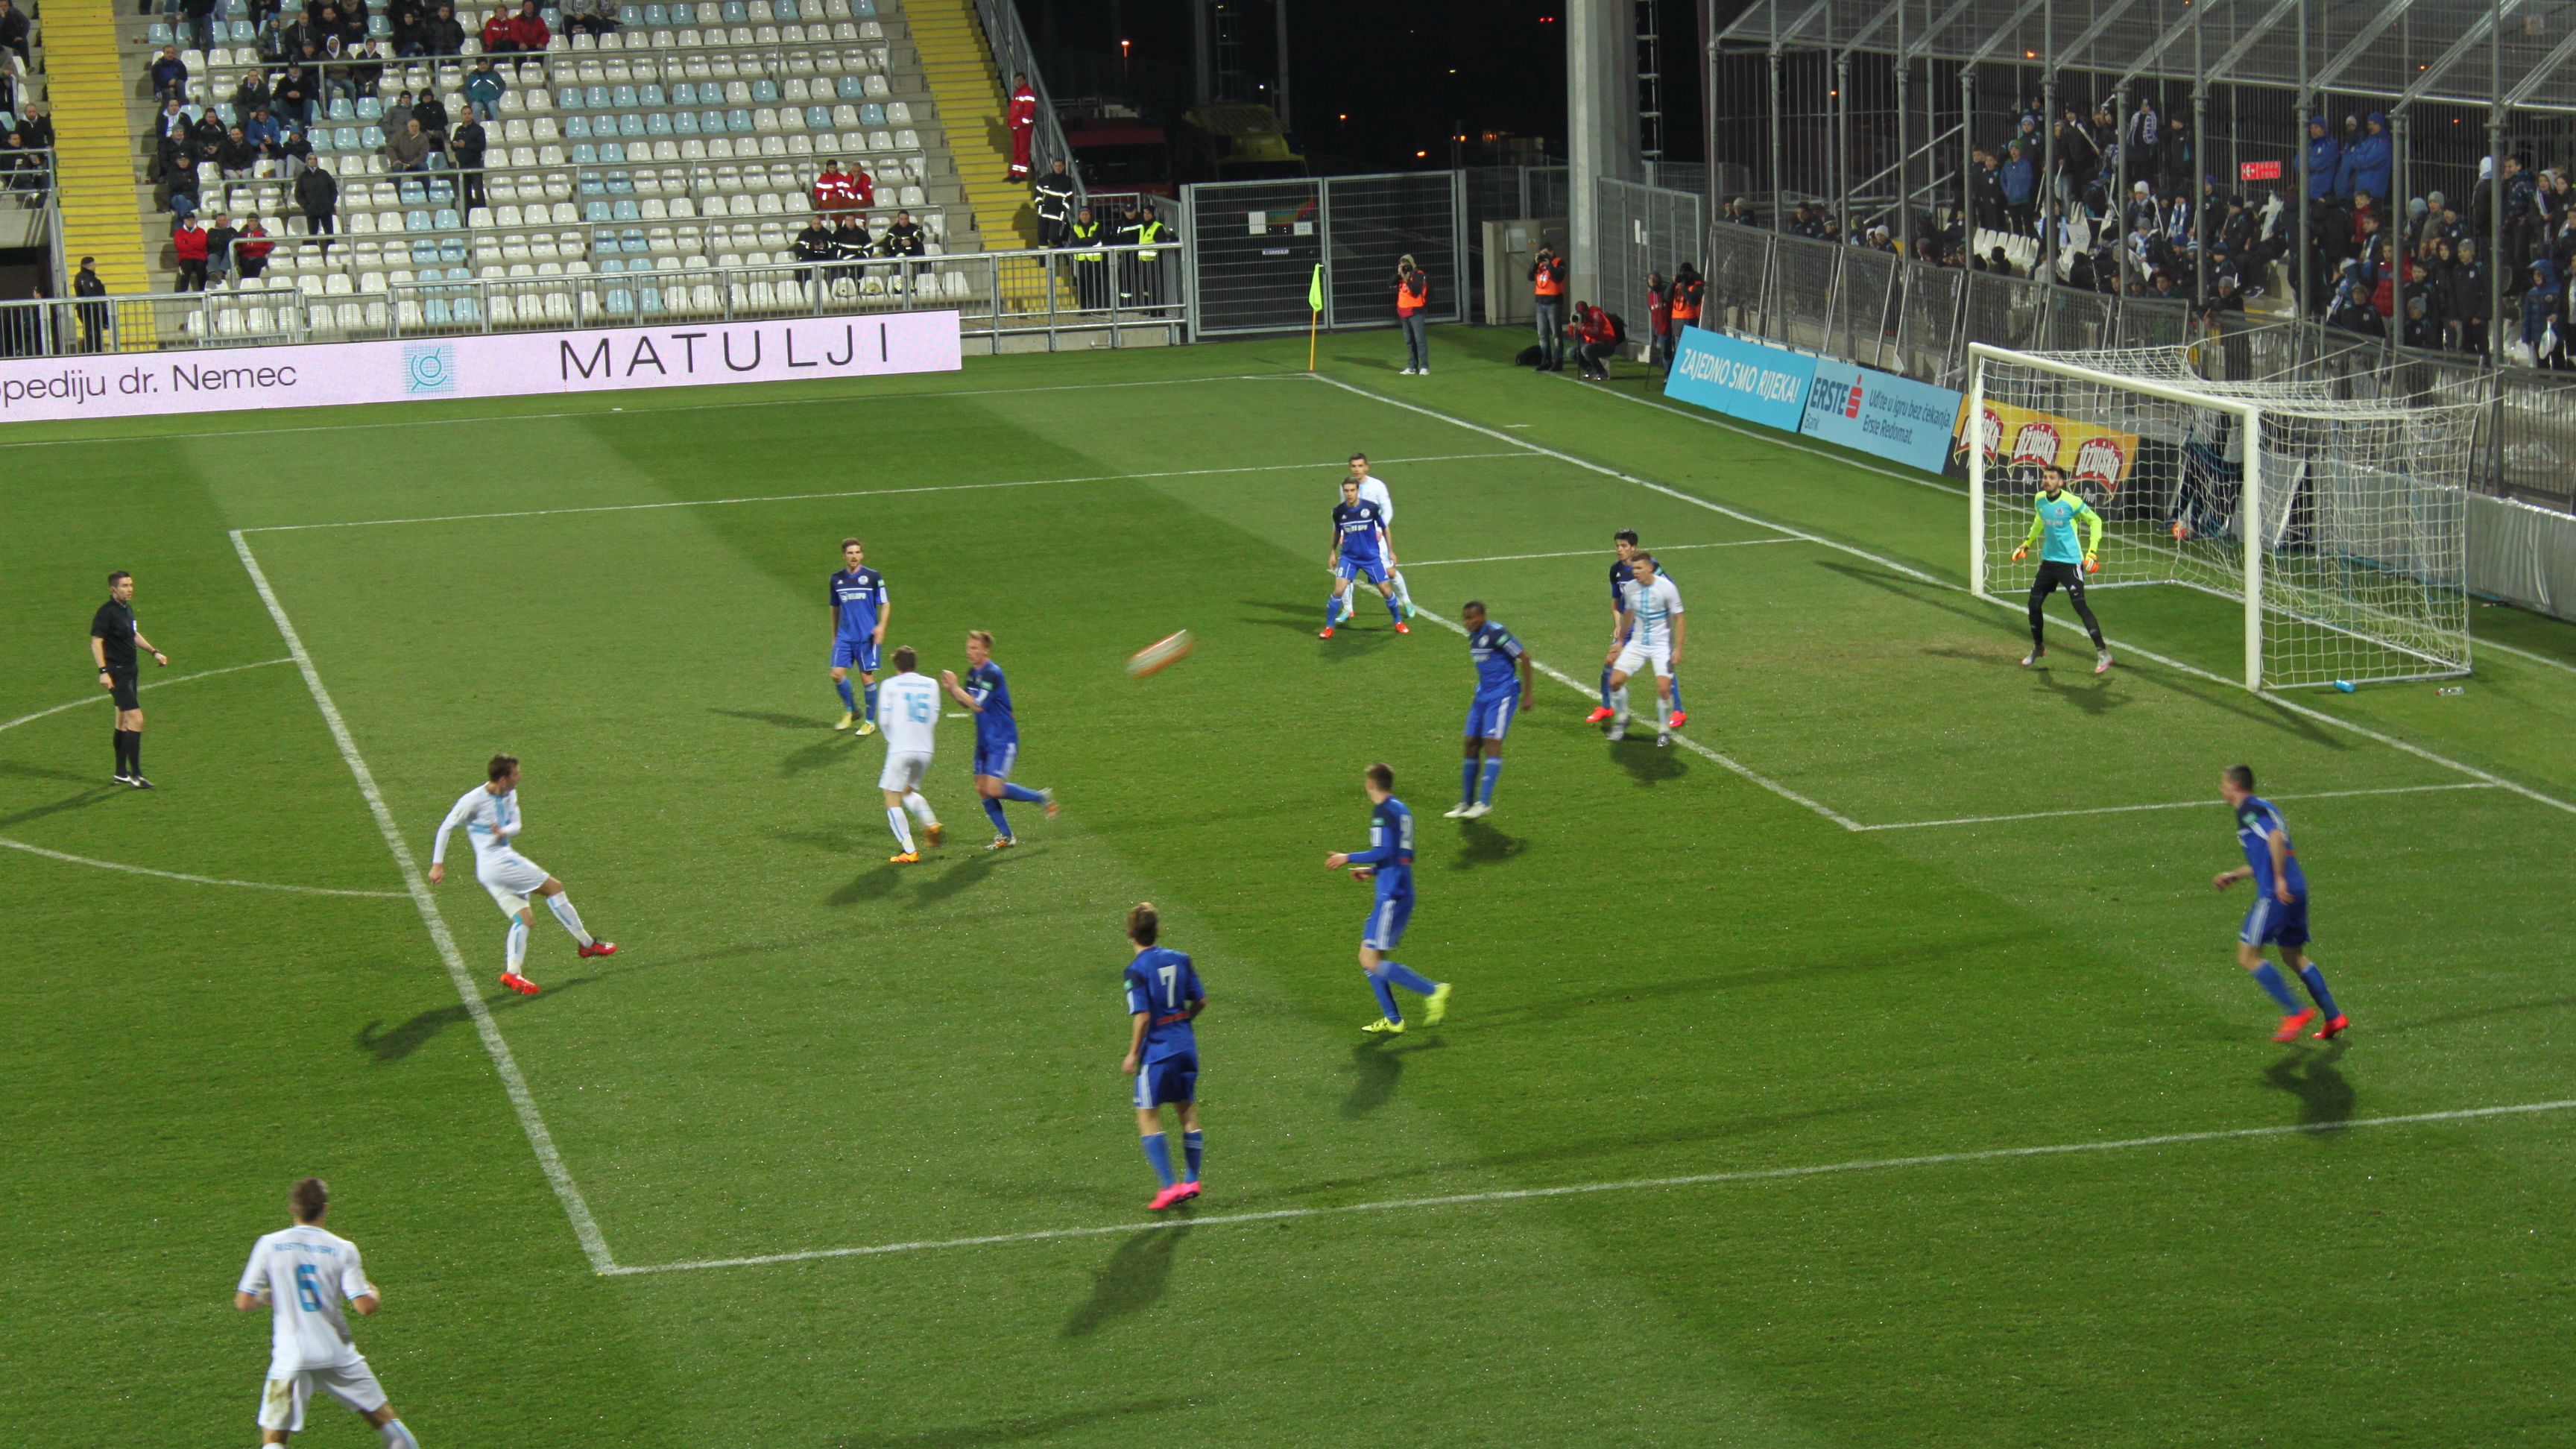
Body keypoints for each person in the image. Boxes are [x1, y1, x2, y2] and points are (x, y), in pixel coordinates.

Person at [235, 1178, 423, 1448]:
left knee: (274, 1438)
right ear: (325, 1209)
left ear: (292, 1209)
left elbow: (244, 1302)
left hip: (291, 1359)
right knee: (385, 1421)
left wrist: (268, 1296)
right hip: (337, 1355)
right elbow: (365, 1306)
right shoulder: (342, 1249)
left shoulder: (270, 1245)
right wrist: (376, 1294)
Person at [429, 754, 618, 996]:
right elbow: (446, 826)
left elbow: (516, 825)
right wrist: (438, 864)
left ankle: (513, 972)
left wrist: (504, 830)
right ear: (504, 778)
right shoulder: (473, 800)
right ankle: (588, 945)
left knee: (524, 920)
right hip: (499, 863)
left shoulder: (509, 794)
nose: (520, 776)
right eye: (516, 773)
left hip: (493, 868)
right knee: (555, 888)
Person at [2214, 765, 2347, 1041]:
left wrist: (2278, 879)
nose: (2221, 789)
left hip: (2278, 892)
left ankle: (2295, 1010)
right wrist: (2235, 875)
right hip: (2297, 888)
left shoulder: (2248, 810)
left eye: (2223, 784)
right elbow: (2268, 852)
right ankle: (2333, 1015)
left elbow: (2273, 837)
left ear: (2235, 786)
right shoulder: (2266, 806)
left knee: (2248, 956)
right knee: (2292, 955)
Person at [1325, 763, 1448, 1035]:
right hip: (1397, 887)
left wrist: (1348, 858)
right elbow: (1399, 856)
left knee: (1371, 961)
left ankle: (1433, 991)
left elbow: (1382, 849)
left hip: (1392, 895)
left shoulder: (1382, 812)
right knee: (1367, 957)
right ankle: (1393, 1020)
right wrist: (1371, 871)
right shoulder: (1401, 809)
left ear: (1371, 784)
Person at [1119, 901, 1205, 1212]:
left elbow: (1142, 1017)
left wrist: (1132, 1054)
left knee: (1147, 1114)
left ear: (1130, 934)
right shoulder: (1180, 959)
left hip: (1157, 1053)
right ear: (1158, 931)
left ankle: (1169, 1186)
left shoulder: (1135, 971)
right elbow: (1201, 1000)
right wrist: (1182, 1021)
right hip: (1185, 1046)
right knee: (1187, 1112)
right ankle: (1192, 1179)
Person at [938, 629, 1058, 849]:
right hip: (984, 740)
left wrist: (956, 688)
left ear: (986, 650)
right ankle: (1006, 835)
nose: (970, 651)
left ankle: (1040, 798)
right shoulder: (973, 674)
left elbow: (979, 704)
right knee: (981, 788)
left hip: (1002, 739)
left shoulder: (993, 673)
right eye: (968, 647)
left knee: (994, 789)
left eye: (974, 648)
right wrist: (952, 691)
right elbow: (967, 703)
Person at [2010, 464, 2112, 674]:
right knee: (2034, 605)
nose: (2047, 480)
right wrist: (2027, 542)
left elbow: (2095, 521)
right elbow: (2040, 519)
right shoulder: (2039, 499)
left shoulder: (2072, 502)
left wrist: (2092, 552)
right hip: (2049, 562)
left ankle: (2103, 653)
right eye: (2045, 477)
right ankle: (2039, 648)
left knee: (2080, 605)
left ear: (2061, 482)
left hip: (2071, 562)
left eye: (2052, 477)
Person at [1588, 529, 1683, 727]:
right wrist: (1618, 625)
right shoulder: (1616, 571)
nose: (1619, 550)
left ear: (1634, 548)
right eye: (1617, 546)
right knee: (1610, 662)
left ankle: (1678, 711)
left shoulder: (1651, 567)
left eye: (1623, 546)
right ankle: (1606, 706)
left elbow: (1669, 589)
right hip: (1630, 627)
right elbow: (1616, 603)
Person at [1447, 600, 1532, 820]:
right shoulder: (1474, 636)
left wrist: (1528, 694)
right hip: (1482, 695)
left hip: (1503, 694)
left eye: (1471, 618)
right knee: (1471, 743)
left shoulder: (1497, 633)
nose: (1467, 623)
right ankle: (1466, 802)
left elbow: (1524, 657)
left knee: (1492, 744)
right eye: (1465, 619)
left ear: (1482, 616)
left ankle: (1483, 803)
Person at [91, 571, 169, 787]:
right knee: (136, 718)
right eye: (125, 586)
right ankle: (136, 774)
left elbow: (133, 635)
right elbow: (96, 642)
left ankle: (120, 773)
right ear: (113, 589)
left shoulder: (126, 609)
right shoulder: (106, 613)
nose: (130, 589)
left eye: (131, 585)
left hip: (131, 670)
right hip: (117, 672)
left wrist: (154, 652)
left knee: (123, 720)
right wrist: (103, 671)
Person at [874, 646, 944, 864]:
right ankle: (930, 822)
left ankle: (909, 850)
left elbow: (884, 721)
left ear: (896, 666)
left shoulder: (889, 685)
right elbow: (934, 715)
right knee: (907, 791)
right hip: (925, 749)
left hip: (901, 748)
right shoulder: (931, 684)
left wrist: (894, 741)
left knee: (891, 798)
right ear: (915, 664)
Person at [1603, 553, 1684, 745]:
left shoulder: (1667, 588)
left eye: (1638, 568)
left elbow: (1679, 618)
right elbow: (1629, 615)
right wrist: (1620, 641)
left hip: (1660, 645)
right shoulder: (1631, 589)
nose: (1634, 572)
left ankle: (1664, 730)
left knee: (1664, 689)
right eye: (1633, 569)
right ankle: (1622, 719)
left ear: (1649, 568)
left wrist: (1678, 649)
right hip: (1638, 643)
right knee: (1614, 682)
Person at [1319, 476, 1406, 639]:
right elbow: (1337, 532)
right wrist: (1332, 551)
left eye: (1352, 490)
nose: (1349, 494)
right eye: (1346, 491)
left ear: (1358, 491)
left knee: (1386, 591)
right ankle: (1329, 627)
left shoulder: (1371, 508)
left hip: (1370, 558)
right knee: (1338, 590)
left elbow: (1385, 529)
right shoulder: (1339, 511)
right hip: (1348, 558)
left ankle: (1398, 621)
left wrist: (1391, 551)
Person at [1333, 452, 1412, 622]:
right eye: (1354, 466)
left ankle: (1406, 601)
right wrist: (1341, 533)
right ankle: (1347, 609)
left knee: (1389, 572)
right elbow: (1342, 511)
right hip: (1352, 537)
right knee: (1344, 575)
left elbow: (1388, 509)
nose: (1357, 469)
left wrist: (1378, 529)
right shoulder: (1346, 486)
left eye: (1360, 466)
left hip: (1375, 538)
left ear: (1366, 467)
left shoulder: (1378, 486)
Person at [823, 537, 890, 732]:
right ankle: (852, 710)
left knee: (866, 678)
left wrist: (881, 627)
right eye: (850, 553)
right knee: (836, 674)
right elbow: (834, 608)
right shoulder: (836, 579)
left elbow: (885, 603)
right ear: (844, 556)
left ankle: (869, 722)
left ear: (862, 554)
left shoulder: (873, 577)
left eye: (857, 552)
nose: (854, 556)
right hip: (845, 636)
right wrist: (835, 635)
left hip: (866, 636)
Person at [1530, 244, 1567, 370]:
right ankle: (1546, 360)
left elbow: (1558, 276)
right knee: (1542, 335)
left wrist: (1549, 264)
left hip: (1554, 303)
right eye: (1541, 254)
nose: (1543, 256)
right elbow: (1530, 276)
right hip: (1540, 303)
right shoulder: (1539, 265)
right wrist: (1535, 263)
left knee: (1556, 334)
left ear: (1552, 252)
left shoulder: (1559, 262)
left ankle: (1558, 362)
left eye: (1546, 253)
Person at [1393, 253, 1430, 375]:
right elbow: (1389, 283)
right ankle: (1412, 366)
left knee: (1419, 340)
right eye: (1401, 265)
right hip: (1404, 312)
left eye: (1406, 266)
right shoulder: (1401, 276)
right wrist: (1399, 274)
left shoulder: (1419, 275)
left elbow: (1416, 291)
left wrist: (1407, 278)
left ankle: (1424, 366)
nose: (1404, 268)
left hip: (1416, 311)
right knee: (1409, 341)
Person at [1568, 298, 1617, 380]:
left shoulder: (1596, 315)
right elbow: (1575, 337)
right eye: (1581, 313)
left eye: (1584, 313)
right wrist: (1572, 325)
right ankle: (1590, 370)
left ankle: (1602, 372)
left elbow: (1596, 332)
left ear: (1587, 310)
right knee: (1571, 352)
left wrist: (1582, 328)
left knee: (1585, 349)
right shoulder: (1581, 319)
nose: (1583, 315)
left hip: (1607, 344)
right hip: (1592, 345)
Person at [1033, 157, 1074, 247]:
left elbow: (1069, 198)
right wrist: (1039, 206)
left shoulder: (1067, 181)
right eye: (1056, 166)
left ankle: (1058, 253)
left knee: (1053, 237)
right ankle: (1043, 259)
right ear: (1053, 167)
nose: (1058, 168)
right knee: (1042, 238)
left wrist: (1063, 210)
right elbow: (1038, 194)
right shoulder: (1046, 179)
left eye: (1060, 166)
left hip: (1057, 215)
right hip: (1043, 214)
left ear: (1063, 167)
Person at [296, 158, 338, 244]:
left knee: (330, 235)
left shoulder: (324, 174)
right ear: (307, 161)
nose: (312, 161)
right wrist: (306, 206)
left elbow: (333, 189)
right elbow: (298, 193)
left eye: (314, 159)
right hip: (311, 210)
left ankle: (331, 253)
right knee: (313, 236)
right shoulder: (303, 176)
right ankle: (314, 254)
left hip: (326, 209)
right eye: (310, 159)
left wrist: (330, 203)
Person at [449, 111, 487, 211]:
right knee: (466, 193)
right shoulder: (459, 130)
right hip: (462, 165)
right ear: (461, 115)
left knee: (478, 191)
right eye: (465, 114)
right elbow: (453, 145)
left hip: (474, 164)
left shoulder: (479, 129)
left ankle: (483, 213)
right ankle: (468, 216)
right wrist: (454, 145)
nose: (467, 115)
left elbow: (481, 146)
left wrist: (465, 145)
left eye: (469, 113)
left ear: (472, 115)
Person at [72, 256, 110, 353]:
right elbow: (88, 292)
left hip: (94, 309)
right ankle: (88, 353)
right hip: (89, 310)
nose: (96, 266)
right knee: (91, 333)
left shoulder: (90, 278)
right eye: (94, 264)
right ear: (90, 265)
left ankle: (98, 352)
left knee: (96, 333)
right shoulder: (84, 277)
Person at [1005, 71, 1036, 182]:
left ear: (1024, 80)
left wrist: (1020, 124)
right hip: (1016, 126)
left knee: (1023, 150)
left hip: (1023, 127)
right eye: (1016, 80)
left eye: (1019, 80)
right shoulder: (1017, 94)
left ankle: (1021, 175)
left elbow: (1028, 111)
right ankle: (1014, 173)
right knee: (1017, 150)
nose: (1017, 82)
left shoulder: (1028, 92)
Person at [172, 212, 211, 291]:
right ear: (184, 221)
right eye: (188, 220)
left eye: (192, 220)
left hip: (199, 257)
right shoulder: (179, 233)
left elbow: (202, 244)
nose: (191, 222)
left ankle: (203, 291)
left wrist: (187, 242)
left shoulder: (201, 231)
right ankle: (182, 292)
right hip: (185, 257)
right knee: (186, 269)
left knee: (201, 268)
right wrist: (194, 243)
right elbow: (180, 247)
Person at [1644, 269, 1673, 373]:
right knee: (1665, 352)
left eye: (1654, 278)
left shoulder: (1666, 291)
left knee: (1673, 352)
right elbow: (1653, 313)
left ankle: (1672, 375)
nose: (1652, 281)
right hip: (1660, 329)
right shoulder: (1650, 296)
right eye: (1650, 279)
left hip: (1672, 326)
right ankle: (1668, 374)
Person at [463, 54, 505, 120]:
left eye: (484, 64)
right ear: (477, 65)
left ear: (487, 64)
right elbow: (467, 88)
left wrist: (496, 95)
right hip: (478, 100)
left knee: (492, 106)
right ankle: (477, 128)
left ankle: (496, 125)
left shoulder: (494, 74)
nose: (482, 66)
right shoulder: (472, 75)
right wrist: (473, 97)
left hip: (491, 99)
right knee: (475, 108)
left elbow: (502, 85)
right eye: (480, 64)